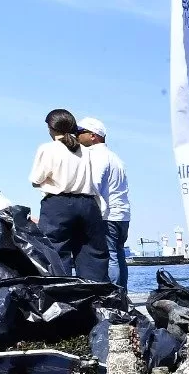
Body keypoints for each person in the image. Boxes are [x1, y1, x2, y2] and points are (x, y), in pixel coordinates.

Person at [29, 108, 109, 282]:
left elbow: (36, 179)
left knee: (55, 254)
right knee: (93, 255)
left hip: (58, 204)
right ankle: (95, 298)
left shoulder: (48, 148)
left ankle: (61, 298)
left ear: (51, 128)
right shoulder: (87, 151)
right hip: (88, 204)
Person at [78, 117, 130, 288]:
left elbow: (94, 185)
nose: (76, 135)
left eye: (80, 132)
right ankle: (122, 293)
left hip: (108, 214)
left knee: (111, 256)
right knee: (119, 254)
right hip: (122, 214)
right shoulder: (115, 157)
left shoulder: (97, 155)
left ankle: (114, 293)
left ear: (93, 136)